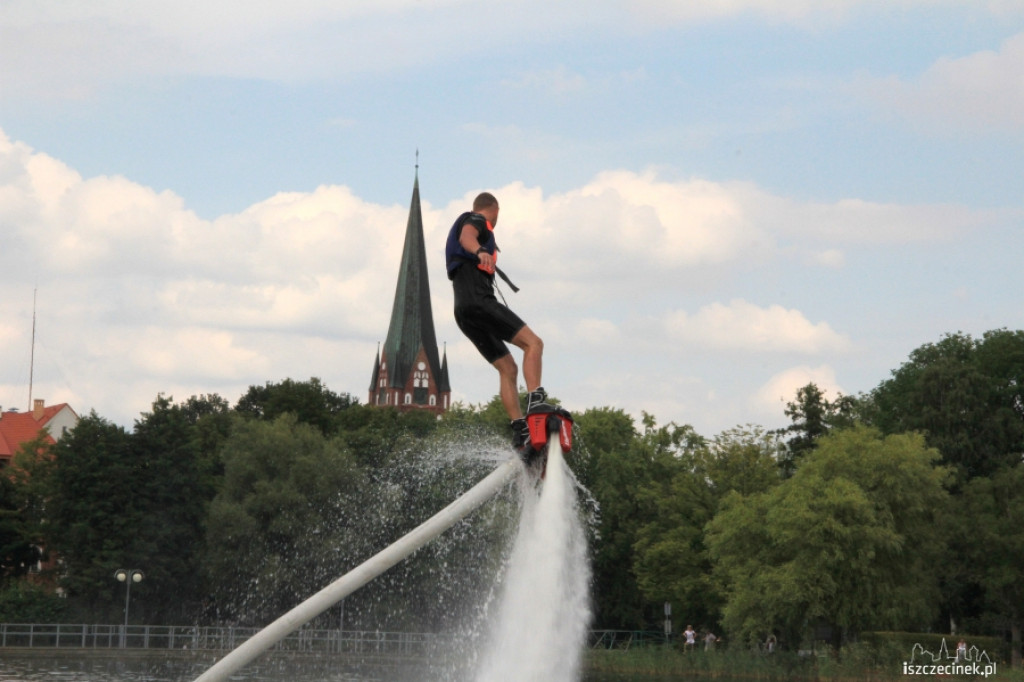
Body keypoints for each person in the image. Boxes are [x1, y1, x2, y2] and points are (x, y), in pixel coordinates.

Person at [445, 192, 547, 451]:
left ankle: (519, 430)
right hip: (480, 301)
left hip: (463, 313)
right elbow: (467, 236)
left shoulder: (475, 227)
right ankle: (536, 402)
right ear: (495, 210)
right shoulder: (476, 219)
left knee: (508, 369)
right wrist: (480, 250)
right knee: (533, 344)